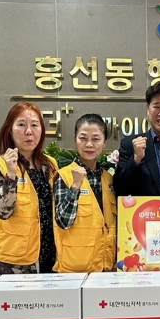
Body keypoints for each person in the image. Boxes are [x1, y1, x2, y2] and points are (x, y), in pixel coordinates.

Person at [0, 102, 58, 274]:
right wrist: (11, 175)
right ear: (10, 130)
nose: (29, 131)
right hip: (15, 262)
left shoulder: (49, 165)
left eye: (34, 125)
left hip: (49, 257)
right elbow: (2, 212)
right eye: (21, 125)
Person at [53, 114, 116, 272]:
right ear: (75, 139)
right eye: (83, 138)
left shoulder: (108, 178)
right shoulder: (64, 176)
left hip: (105, 267)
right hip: (74, 269)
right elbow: (63, 221)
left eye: (96, 139)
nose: (89, 144)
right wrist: (75, 187)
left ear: (104, 142)